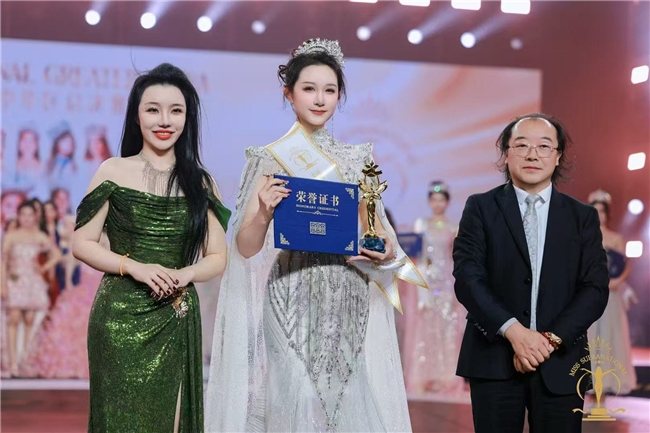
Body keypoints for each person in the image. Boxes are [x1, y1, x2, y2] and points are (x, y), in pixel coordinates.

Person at [205, 38, 411, 432]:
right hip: (289, 291)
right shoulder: (270, 158)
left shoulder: (358, 160)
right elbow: (245, 248)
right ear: (289, 93)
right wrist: (263, 212)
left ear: (339, 96)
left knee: (347, 395)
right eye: (309, 89)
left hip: (346, 291)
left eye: (330, 90)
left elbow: (377, 232)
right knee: (292, 392)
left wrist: (383, 248)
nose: (320, 99)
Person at [71, 63, 230, 432]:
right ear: (137, 115)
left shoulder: (202, 182)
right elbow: (82, 243)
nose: (165, 120)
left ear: (188, 118)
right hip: (118, 317)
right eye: (153, 109)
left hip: (176, 313)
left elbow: (217, 257)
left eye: (176, 111)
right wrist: (136, 267)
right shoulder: (113, 170)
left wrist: (185, 273)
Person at [452, 113, 609, 432]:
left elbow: (595, 288)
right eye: (522, 145)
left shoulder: (582, 217)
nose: (532, 154)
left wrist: (547, 341)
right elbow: (468, 278)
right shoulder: (480, 207)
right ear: (506, 154)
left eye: (544, 146)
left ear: (558, 156)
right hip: (494, 359)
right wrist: (515, 332)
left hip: (562, 362)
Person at [404, 181, 464, 397]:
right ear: (429, 201)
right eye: (434, 199)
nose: (437, 203)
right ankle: (424, 376)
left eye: (441, 200)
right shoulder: (421, 224)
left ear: (447, 202)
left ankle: (446, 378)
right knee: (426, 330)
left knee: (446, 329)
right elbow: (416, 254)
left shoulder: (454, 226)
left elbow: (456, 257)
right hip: (426, 283)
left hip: (446, 281)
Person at [587, 189, 638, 396]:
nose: (600, 215)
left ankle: (612, 378)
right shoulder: (585, 237)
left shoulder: (616, 238)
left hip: (612, 294)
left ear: (607, 214)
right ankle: (591, 379)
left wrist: (617, 281)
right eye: (596, 211)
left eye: (602, 211)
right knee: (592, 333)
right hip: (592, 292)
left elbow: (625, 265)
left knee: (612, 332)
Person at [1, 201, 60, 376]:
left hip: (33, 282)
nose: (26, 218)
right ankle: (12, 363)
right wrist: (2, 284)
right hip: (15, 280)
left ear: (35, 217)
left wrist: (43, 268)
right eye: (23, 215)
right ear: (18, 216)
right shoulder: (11, 236)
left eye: (30, 215)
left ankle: (25, 361)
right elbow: (3, 262)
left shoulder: (39, 236)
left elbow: (57, 254)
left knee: (29, 320)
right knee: (13, 318)